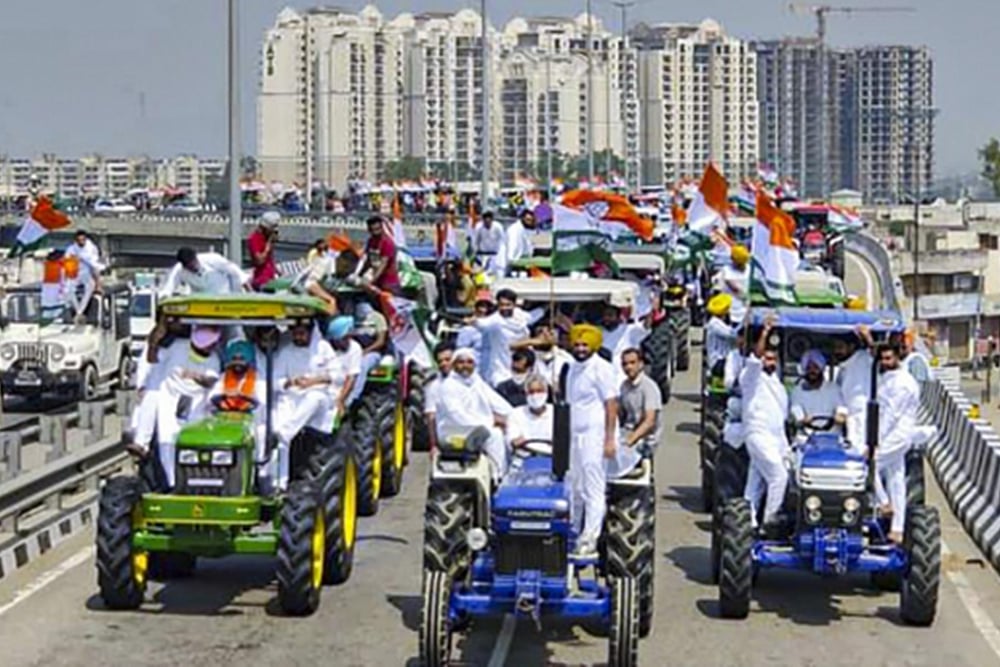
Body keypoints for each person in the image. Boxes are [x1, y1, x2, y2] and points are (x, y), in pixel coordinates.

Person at [564, 324, 619, 557]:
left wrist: (608, 439)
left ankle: (590, 536)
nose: (580, 348)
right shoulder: (571, 368)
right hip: (574, 434)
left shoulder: (602, 368)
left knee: (593, 487)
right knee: (574, 485)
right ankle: (573, 529)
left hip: (595, 434)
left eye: (585, 344)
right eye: (577, 344)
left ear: (594, 345)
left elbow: (611, 405)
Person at [272, 320, 339, 492]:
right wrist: (290, 382)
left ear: (310, 333)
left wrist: (313, 381)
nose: (298, 337)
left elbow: (338, 375)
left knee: (314, 398)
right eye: (295, 333)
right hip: (291, 397)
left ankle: (288, 431)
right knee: (279, 436)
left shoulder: (323, 348)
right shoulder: (285, 352)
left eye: (302, 334)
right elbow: (276, 381)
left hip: (319, 397)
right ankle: (279, 483)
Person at [154, 326, 223, 488]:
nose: (210, 347)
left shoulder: (214, 360)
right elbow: (155, 357)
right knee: (167, 441)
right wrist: (154, 339)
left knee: (194, 443)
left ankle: (197, 481)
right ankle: (173, 483)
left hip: (196, 403)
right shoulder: (177, 347)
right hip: (171, 399)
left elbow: (210, 381)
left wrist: (197, 376)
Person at [430, 347, 513, 480]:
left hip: (478, 429)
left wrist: (514, 418)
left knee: (509, 433)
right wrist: (489, 423)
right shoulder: (448, 386)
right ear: (454, 365)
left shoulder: (477, 383)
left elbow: (499, 404)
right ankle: (499, 476)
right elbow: (456, 415)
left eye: (469, 362)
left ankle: (508, 472)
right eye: (461, 362)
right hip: (455, 432)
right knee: (495, 435)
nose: (465, 366)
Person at [740, 315, 789, 533]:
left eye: (773, 359)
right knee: (779, 476)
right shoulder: (751, 376)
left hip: (778, 438)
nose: (769, 362)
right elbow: (755, 357)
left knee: (756, 483)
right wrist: (766, 333)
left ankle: (747, 522)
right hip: (758, 434)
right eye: (766, 358)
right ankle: (770, 522)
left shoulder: (776, 383)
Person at [874, 342, 920, 543]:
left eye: (888, 358)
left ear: (897, 357)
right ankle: (897, 529)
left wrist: (875, 440)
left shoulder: (903, 383)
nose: (885, 362)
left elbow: (891, 414)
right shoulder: (886, 377)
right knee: (895, 479)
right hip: (891, 434)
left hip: (896, 435)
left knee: (868, 465)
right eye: (882, 359)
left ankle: (884, 504)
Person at [468, 288, 542, 386]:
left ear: (514, 304)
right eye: (501, 305)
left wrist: (547, 307)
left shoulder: (520, 315)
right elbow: (482, 323)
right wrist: (474, 321)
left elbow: (532, 317)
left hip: (522, 369)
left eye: (508, 305)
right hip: (501, 372)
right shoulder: (495, 321)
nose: (504, 308)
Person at [834, 325, 876, 456]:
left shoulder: (862, 358)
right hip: (850, 420)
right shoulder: (842, 369)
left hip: (865, 418)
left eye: (840, 347)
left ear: (851, 347)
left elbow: (876, 356)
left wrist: (868, 337)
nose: (837, 351)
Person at [618, 348, 662, 464]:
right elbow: (620, 415)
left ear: (641, 364)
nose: (628, 367)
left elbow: (650, 421)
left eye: (632, 363)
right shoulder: (624, 386)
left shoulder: (649, 387)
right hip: (627, 433)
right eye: (625, 364)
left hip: (645, 439)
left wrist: (631, 440)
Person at [346, 301, 390, 405]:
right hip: (354, 352)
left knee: (362, 365)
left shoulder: (377, 318)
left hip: (373, 353)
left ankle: (352, 397)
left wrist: (365, 351)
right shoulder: (351, 318)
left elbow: (381, 341)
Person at [160, 247, 249, 298]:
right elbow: (168, 288)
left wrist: (247, 287)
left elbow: (233, 270)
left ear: (196, 258)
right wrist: (164, 297)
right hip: (201, 304)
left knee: (234, 330)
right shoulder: (179, 269)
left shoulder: (212, 258)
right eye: (190, 267)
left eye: (194, 263)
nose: (194, 268)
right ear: (184, 266)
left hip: (223, 299)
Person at [790, 349, 845, 427]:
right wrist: (803, 419)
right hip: (806, 436)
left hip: (832, 435)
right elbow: (797, 414)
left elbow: (841, 410)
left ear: (822, 368)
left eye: (816, 367)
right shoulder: (797, 391)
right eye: (809, 368)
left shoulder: (834, 389)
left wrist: (840, 416)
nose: (812, 371)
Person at [598, 304, 648, 380]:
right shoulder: (599, 333)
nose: (607, 318)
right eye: (605, 315)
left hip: (627, 377)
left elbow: (646, 327)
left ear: (618, 317)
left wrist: (651, 310)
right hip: (607, 378)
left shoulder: (629, 330)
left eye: (610, 315)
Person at [326, 316, 363, 417]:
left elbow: (351, 378)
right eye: (344, 338)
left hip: (343, 390)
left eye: (349, 337)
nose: (348, 340)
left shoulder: (355, 348)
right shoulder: (325, 348)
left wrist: (341, 400)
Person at [64, 230, 105, 319]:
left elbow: (94, 265)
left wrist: (98, 284)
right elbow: (67, 264)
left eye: (83, 240)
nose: (81, 242)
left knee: (90, 287)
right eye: (79, 240)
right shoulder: (71, 249)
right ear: (76, 240)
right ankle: (78, 310)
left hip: (86, 272)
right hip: (75, 273)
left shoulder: (92, 248)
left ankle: (79, 312)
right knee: (68, 290)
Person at [507, 374, 554, 447]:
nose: (535, 395)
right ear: (526, 394)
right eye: (531, 392)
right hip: (525, 455)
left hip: (551, 455)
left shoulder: (555, 412)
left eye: (539, 391)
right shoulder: (516, 414)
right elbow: (514, 441)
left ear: (546, 392)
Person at [359, 215, 401, 293]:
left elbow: (383, 264)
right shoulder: (371, 241)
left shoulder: (387, 242)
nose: (376, 232)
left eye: (378, 229)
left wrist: (372, 280)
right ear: (369, 230)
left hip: (389, 283)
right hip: (378, 283)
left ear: (382, 228)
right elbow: (368, 261)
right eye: (373, 230)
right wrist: (359, 275)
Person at [705, 293, 739, 373]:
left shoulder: (721, 323)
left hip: (723, 360)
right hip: (718, 361)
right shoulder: (715, 324)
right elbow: (732, 334)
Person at [247, 211, 279, 290]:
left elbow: (269, 260)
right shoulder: (255, 239)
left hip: (271, 279)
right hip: (261, 281)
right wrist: (267, 247)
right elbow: (259, 261)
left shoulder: (266, 239)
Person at [721, 244, 751, 323]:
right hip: (732, 310)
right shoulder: (727, 271)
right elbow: (736, 289)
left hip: (746, 310)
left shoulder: (749, 269)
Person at [471, 211, 506, 276]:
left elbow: (503, 241)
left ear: (492, 219)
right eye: (485, 218)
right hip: (482, 254)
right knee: (482, 274)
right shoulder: (479, 227)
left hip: (495, 254)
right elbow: (475, 241)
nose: (487, 220)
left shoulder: (498, 227)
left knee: (496, 274)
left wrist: (501, 256)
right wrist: (475, 254)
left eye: (489, 218)